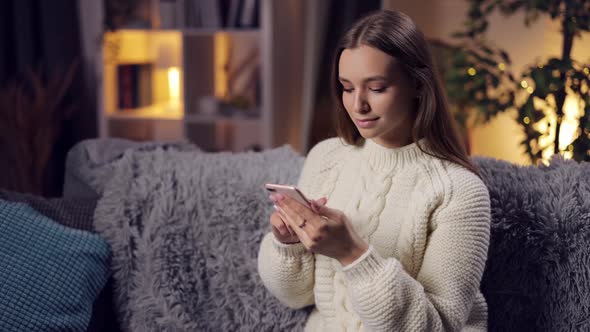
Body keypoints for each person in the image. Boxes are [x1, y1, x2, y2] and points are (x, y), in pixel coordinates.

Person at [257, 9, 491, 332]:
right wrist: (287, 244)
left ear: (418, 86)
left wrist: (352, 254)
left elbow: (437, 326)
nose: (357, 105)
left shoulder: (459, 191)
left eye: (376, 88)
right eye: (347, 87)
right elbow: (296, 296)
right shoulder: (325, 158)